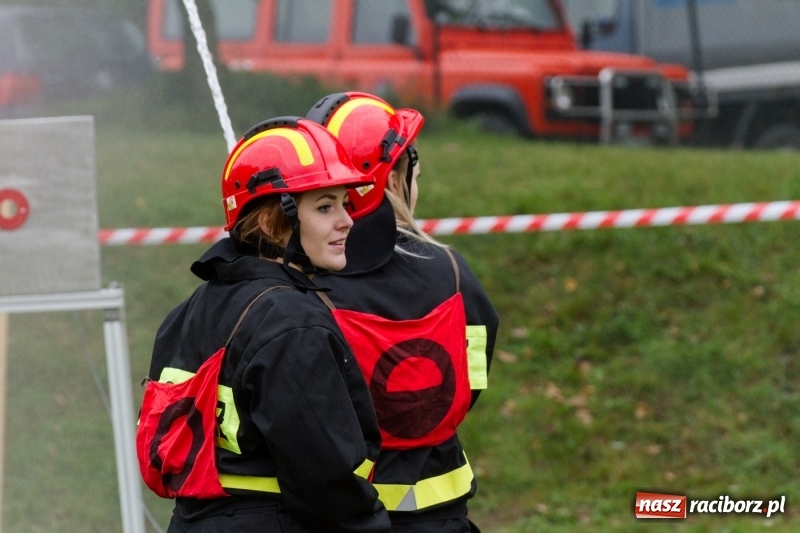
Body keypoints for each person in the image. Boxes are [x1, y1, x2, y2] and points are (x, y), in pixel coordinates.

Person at [139, 116, 391, 532]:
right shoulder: (293, 324)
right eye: (325, 207)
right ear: (273, 222)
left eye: (344, 204)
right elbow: (325, 477)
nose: (347, 220)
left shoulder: (189, 311)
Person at [306, 92, 500, 532]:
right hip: (443, 513)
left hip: (345, 514)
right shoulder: (452, 273)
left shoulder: (298, 288)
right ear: (394, 178)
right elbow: (472, 375)